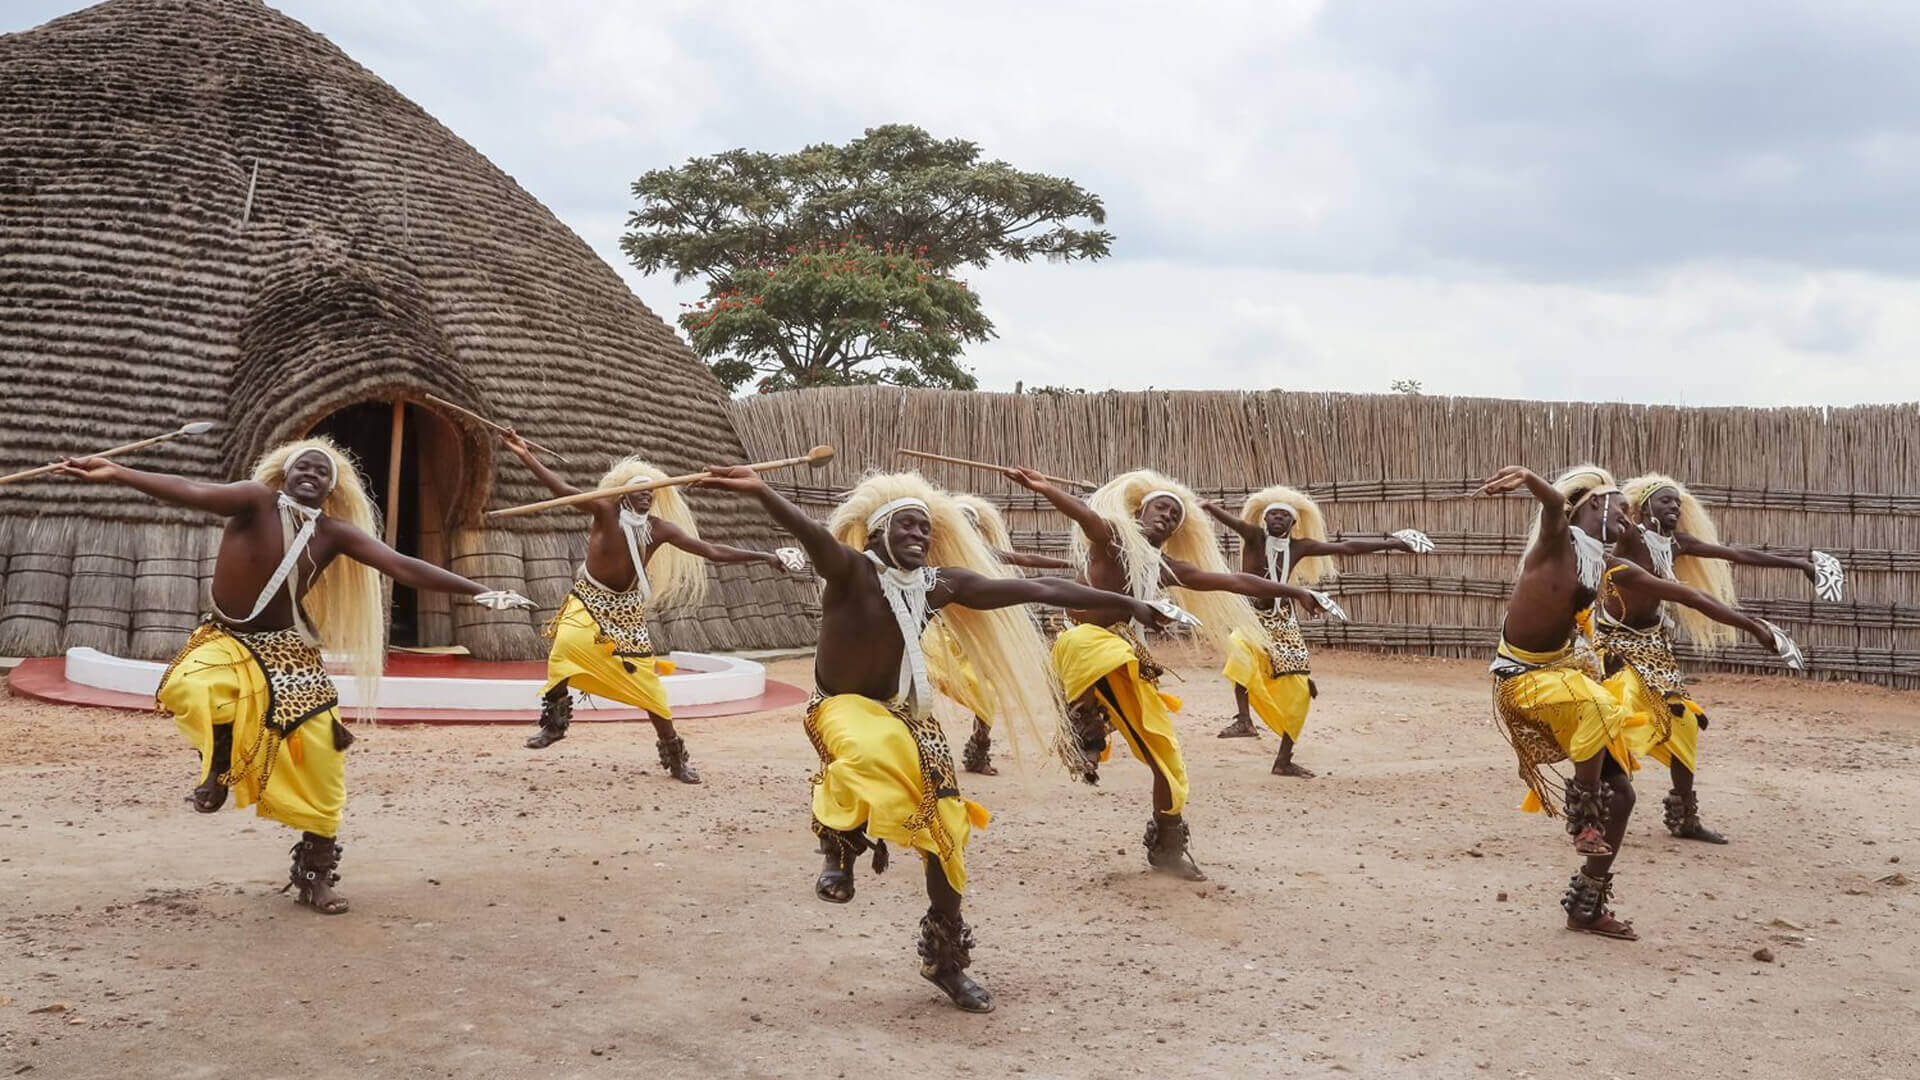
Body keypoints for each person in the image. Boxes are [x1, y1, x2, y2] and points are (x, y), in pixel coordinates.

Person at [696, 466, 1170, 1013]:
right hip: (841, 708)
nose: (919, 535)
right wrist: (761, 490)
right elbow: (810, 533)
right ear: (877, 532)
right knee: (872, 751)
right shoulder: (850, 570)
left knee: (947, 833)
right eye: (907, 525)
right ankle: (839, 845)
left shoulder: (939, 585)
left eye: (925, 528)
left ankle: (945, 960)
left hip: (909, 716)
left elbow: (1039, 588)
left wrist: (1132, 605)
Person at [59, 439, 534, 915]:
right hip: (226, 638)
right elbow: (193, 491)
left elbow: (400, 564)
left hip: (289, 649)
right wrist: (119, 473)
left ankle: (314, 873)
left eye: (321, 472)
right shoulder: (253, 500)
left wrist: (480, 591)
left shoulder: (333, 533)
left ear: (332, 487)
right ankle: (220, 763)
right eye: (303, 467)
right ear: (284, 473)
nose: (311, 474)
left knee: (323, 758)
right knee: (193, 686)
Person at [1006, 467, 1334, 882]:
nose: (1167, 516)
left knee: (1169, 763)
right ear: (1140, 512)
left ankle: (1167, 844)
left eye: (1175, 515)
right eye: (1160, 508)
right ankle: (1084, 723)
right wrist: (1046, 489)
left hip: (1128, 658)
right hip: (1085, 648)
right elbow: (1085, 516)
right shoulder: (1111, 540)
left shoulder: (1165, 567)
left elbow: (1234, 580)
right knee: (1098, 646)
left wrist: (1297, 591)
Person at [505, 434, 784, 783]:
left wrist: (765, 556)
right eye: (640, 491)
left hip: (626, 611)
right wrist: (526, 455)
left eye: (651, 492)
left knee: (649, 688)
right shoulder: (604, 512)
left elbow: (712, 550)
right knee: (565, 646)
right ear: (624, 495)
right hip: (588, 597)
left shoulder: (658, 529)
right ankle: (555, 724)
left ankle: (675, 757)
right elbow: (563, 490)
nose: (647, 496)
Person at [1609, 473, 1817, 842]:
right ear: (1645, 506)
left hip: (1653, 647)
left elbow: (1737, 554)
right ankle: (1596, 810)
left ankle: (1685, 818)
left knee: (1685, 723)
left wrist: (1799, 564)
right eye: (1666, 500)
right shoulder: (1629, 537)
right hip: (1612, 644)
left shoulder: (1676, 543)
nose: (1675, 507)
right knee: (1616, 716)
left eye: (1678, 502)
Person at [1203, 488, 1430, 776]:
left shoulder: (1299, 547)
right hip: (1251, 617)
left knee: (1300, 691)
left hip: (1282, 621)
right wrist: (1209, 507)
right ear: (1264, 519)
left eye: (1284, 515)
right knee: (1239, 650)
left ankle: (1283, 760)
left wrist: (1393, 543)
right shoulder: (1254, 537)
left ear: (1293, 522)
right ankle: (1244, 720)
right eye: (1273, 514)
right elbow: (1232, 522)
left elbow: (1346, 547)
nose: (1277, 518)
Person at [928, 493, 1076, 775]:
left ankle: (979, 748)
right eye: (961, 521)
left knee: (987, 693)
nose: (966, 528)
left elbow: (1025, 558)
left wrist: (1068, 564)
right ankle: (921, 746)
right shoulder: (932, 556)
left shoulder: (984, 554)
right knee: (921, 683)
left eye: (971, 523)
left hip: (974, 636)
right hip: (938, 634)